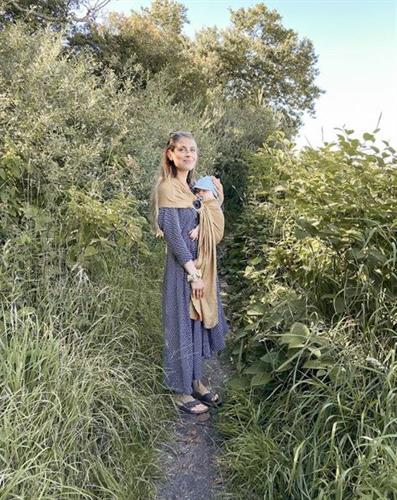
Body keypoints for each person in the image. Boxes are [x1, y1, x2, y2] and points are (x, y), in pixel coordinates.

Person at [151, 130, 230, 415]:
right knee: (181, 327)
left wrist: (216, 197)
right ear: (170, 154)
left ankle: (195, 381)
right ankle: (180, 391)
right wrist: (192, 274)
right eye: (182, 149)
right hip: (182, 270)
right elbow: (173, 235)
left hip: (201, 268)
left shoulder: (193, 188)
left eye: (192, 150)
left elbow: (209, 217)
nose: (188, 154)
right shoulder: (168, 187)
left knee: (197, 324)